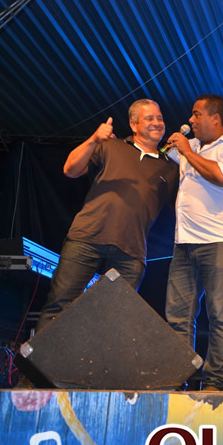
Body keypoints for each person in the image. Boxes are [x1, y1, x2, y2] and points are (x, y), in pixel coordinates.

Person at [35, 99, 178, 333]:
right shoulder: (111, 146)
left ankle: (93, 359)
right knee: (60, 304)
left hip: (131, 252)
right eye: (149, 118)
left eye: (160, 118)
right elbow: (70, 170)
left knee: (114, 319)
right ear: (133, 124)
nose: (157, 122)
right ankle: (41, 358)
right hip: (87, 237)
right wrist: (94, 139)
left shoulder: (170, 167)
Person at [163, 94, 223, 391]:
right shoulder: (191, 147)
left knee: (219, 314)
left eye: (196, 114)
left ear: (216, 118)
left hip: (221, 241)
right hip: (184, 241)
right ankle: (176, 379)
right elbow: (155, 154)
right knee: (178, 315)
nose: (190, 120)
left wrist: (187, 151)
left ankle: (215, 382)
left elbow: (221, 176)